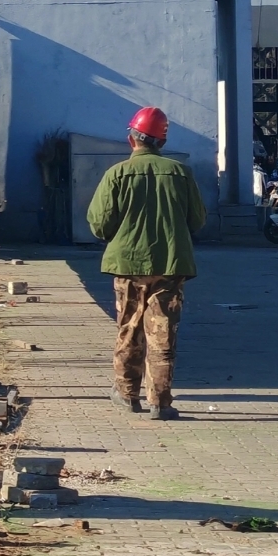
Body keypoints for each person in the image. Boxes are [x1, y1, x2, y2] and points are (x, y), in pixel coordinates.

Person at [87, 105, 204, 420]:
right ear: (161, 142)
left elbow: (99, 225)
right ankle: (160, 403)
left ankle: (126, 394)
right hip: (169, 265)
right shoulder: (181, 173)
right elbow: (197, 219)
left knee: (129, 327)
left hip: (128, 265)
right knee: (163, 330)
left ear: (131, 139)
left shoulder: (117, 174)